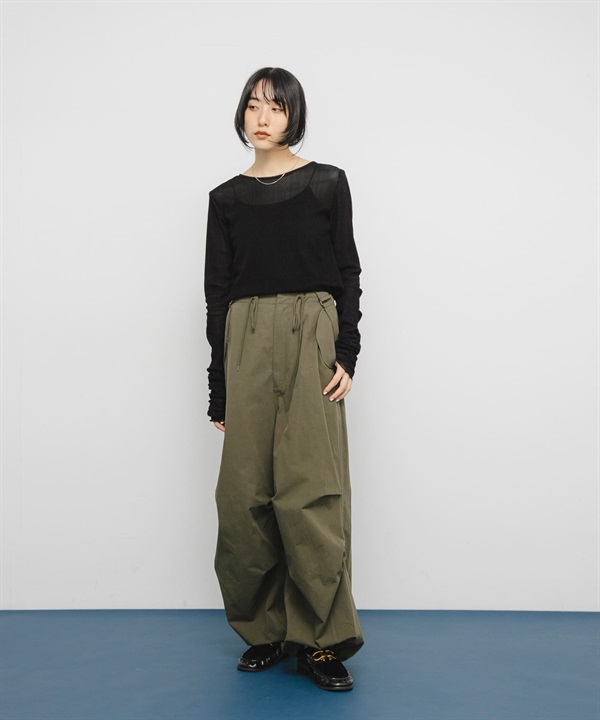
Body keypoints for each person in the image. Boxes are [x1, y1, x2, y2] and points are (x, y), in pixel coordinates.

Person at [203, 67, 364, 692]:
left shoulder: (327, 183)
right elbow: (218, 294)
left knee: (310, 489)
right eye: (252, 105)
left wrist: (346, 350)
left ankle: (320, 641)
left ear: (294, 114)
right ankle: (265, 631)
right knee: (244, 496)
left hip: (311, 334)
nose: (262, 117)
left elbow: (347, 271)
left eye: (275, 106)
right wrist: (219, 385)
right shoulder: (224, 199)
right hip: (244, 339)